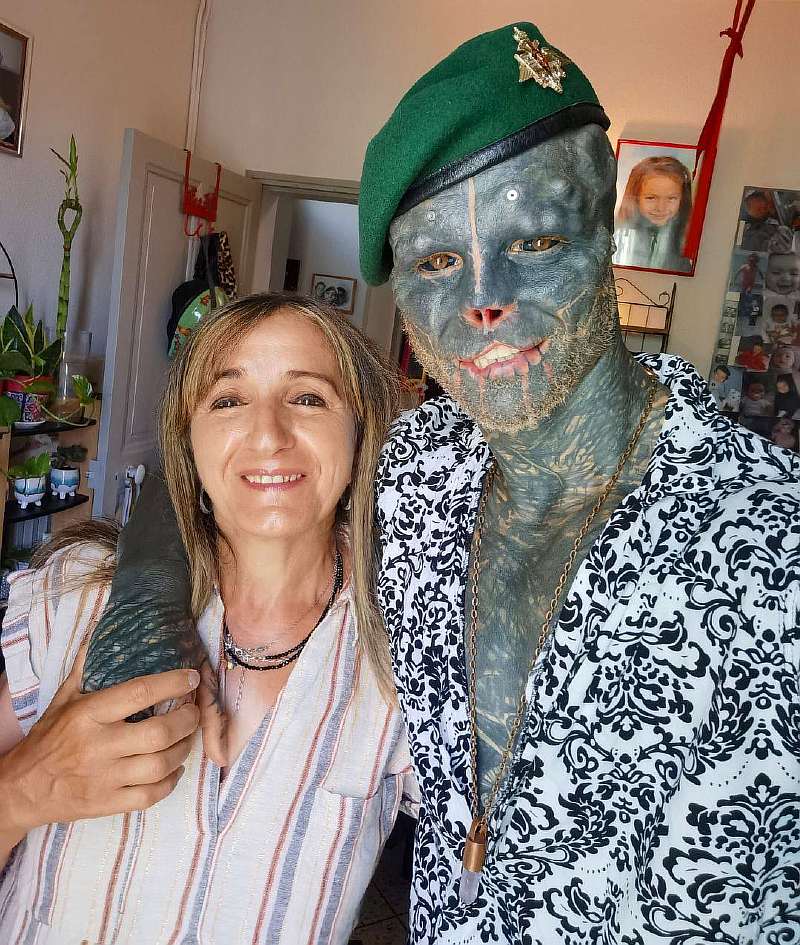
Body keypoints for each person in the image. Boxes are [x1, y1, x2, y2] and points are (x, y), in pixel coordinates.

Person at [75, 22, 800, 945]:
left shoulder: (773, 547)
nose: (483, 299)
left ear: (605, 228)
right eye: (436, 261)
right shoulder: (418, 465)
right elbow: (236, 466)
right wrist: (145, 605)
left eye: (535, 239)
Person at [0, 294, 416, 944]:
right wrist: (22, 790)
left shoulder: (413, 660)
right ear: (187, 442)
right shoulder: (79, 600)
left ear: (361, 431)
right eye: (228, 400)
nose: (268, 434)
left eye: (308, 397)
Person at [612, 155, 693, 272]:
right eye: (651, 198)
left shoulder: (686, 238)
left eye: (671, 198)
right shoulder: (616, 233)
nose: (661, 208)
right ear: (635, 197)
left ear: (683, 199)